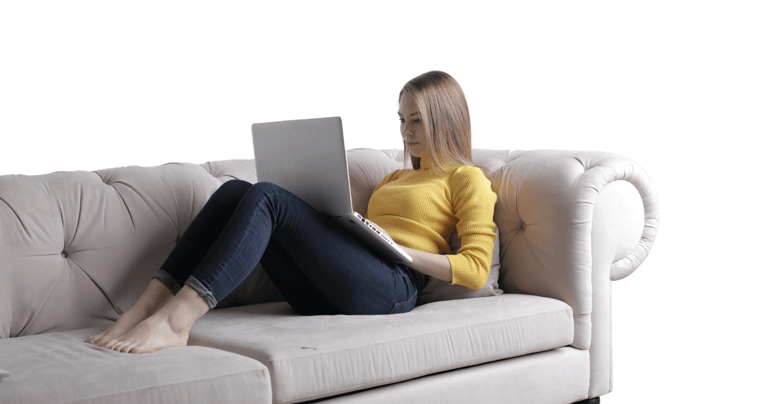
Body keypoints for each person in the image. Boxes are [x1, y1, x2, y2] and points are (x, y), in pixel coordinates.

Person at [85, 70, 497, 354]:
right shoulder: (393, 179)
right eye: (402, 120)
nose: (406, 132)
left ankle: (177, 322)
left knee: (267, 196)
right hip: (336, 285)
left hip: (392, 287)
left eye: (417, 121)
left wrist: (403, 254)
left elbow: (475, 268)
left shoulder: (466, 178)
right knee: (234, 192)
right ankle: (145, 309)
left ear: (444, 121)